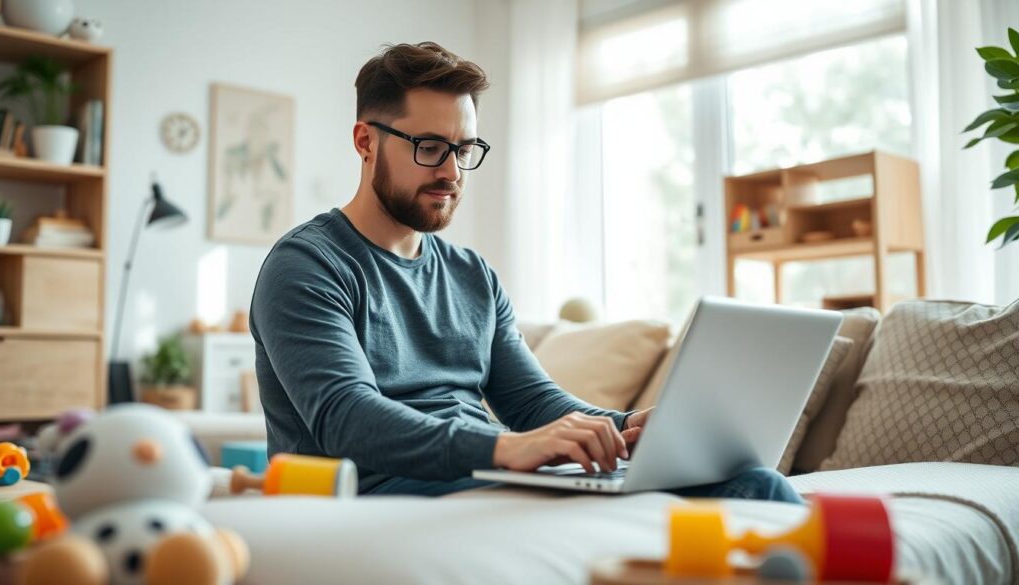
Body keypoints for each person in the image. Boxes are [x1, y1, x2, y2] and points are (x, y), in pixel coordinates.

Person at [249, 41, 802, 503]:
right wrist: (507, 449)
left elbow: (534, 403)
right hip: (381, 490)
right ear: (365, 142)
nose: (450, 171)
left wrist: (632, 427)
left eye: (464, 150)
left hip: (489, 476)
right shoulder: (307, 265)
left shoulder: (472, 275)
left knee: (756, 486)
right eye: (429, 147)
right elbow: (347, 418)